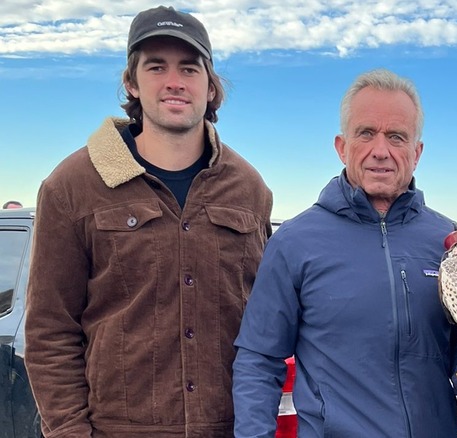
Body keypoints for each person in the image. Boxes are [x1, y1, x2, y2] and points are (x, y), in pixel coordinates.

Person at [24, 6, 273, 437]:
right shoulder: (72, 187)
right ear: (131, 82)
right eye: (156, 66)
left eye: (189, 69)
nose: (175, 81)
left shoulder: (249, 189)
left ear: (211, 87)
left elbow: (265, 327)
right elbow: (49, 332)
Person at [232, 68, 457, 437]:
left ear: (417, 152)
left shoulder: (449, 242)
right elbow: (259, 360)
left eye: (396, 136)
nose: (381, 151)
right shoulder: (295, 242)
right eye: (366, 133)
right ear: (342, 147)